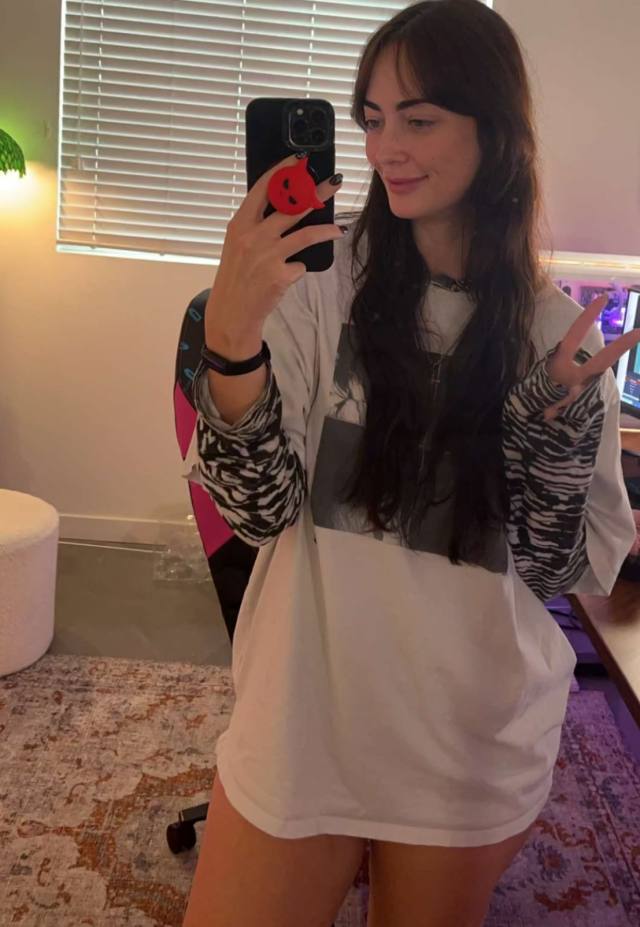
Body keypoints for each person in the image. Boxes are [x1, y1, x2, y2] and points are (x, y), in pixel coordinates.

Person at [182, 2, 638, 925]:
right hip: (304, 717)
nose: (386, 148)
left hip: (466, 740)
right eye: (372, 118)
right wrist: (231, 341)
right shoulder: (316, 282)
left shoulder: (553, 334)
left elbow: (555, 570)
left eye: (419, 119)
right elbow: (260, 512)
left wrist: (549, 434)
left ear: (494, 132)